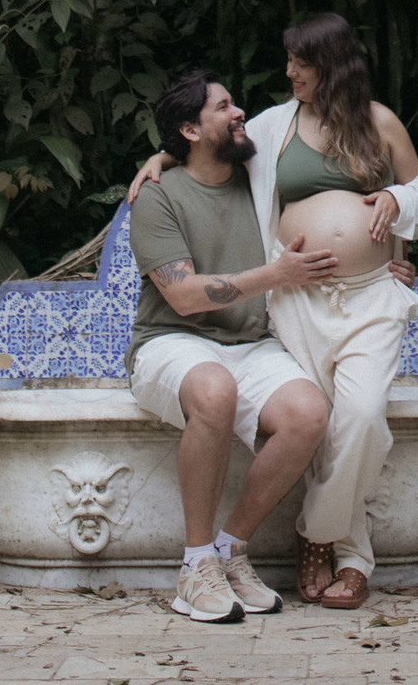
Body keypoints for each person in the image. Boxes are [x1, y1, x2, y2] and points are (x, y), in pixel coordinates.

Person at [129, 11, 418, 610]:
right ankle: (220, 560)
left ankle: (296, 538)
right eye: (225, 106)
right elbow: (198, 155)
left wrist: (397, 216)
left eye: (301, 62)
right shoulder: (268, 133)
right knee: (308, 415)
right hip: (289, 305)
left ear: (332, 65)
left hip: (364, 296)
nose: (288, 72)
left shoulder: (368, 125)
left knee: (356, 418)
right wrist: (159, 159)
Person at [126, 64, 340, 624]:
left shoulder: (259, 181)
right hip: (171, 341)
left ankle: (229, 551)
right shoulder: (157, 196)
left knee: (308, 413)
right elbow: (182, 297)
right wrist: (275, 274)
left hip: (249, 343)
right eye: (222, 107)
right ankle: (194, 566)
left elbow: (336, 198)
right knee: (214, 389)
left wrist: (390, 261)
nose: (239, 111)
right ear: (190, 130)